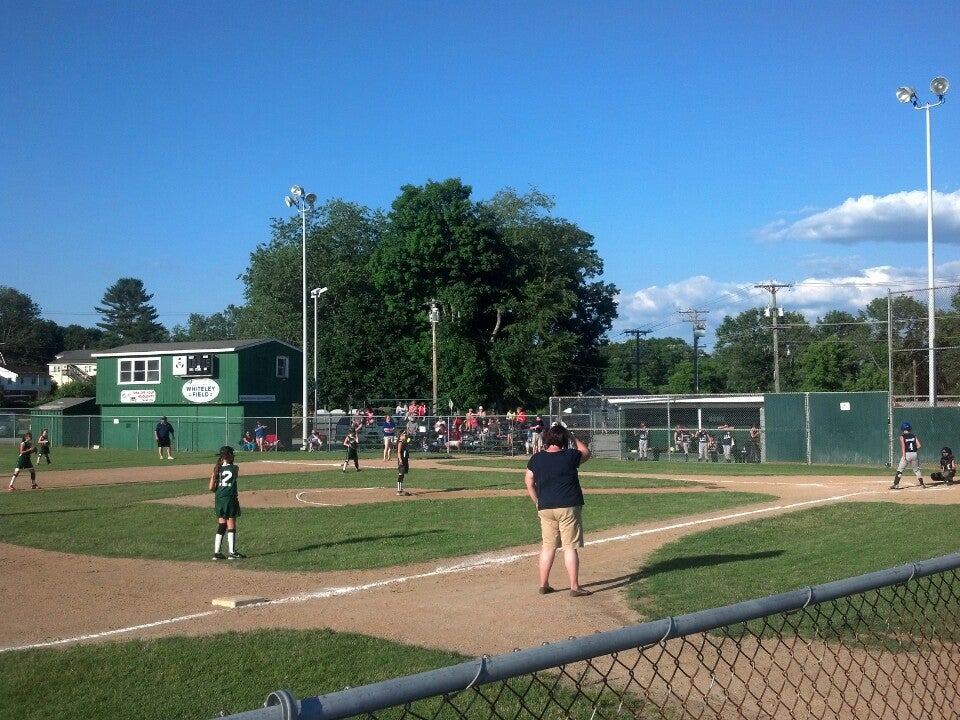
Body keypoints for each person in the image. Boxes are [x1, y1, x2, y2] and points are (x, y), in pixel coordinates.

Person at [524, 422, 592, 597]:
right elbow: (586, 452)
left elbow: (529, 482)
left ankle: (543, 584)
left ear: (546, 440)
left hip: (546, 506)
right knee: (569, 547)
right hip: (568, 505)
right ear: (563, 441)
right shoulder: (570, 455)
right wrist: (570, 435)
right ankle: (574, 587)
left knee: (548, 547)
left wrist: (537, 501)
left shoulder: (536, 458)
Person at [209, 445, 244, 560]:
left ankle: (217, 552)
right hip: (230, 498)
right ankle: (232, 552)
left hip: (219, 499)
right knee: (231, 524)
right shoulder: (235, 468)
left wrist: (218, 491)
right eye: (232, 454)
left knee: (221, 525)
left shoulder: (216, 469)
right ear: (229, 456)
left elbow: (210, 487)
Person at [891, 422, 924, 489]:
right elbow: (919, 445)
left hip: (907, 454)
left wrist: (904, 456)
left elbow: (903, 446)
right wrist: (914, 449)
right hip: (914, 453)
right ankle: (922, 484)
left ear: (903, 429)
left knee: (900, 469)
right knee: (916, 470)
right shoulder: (913, 436)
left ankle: (896, 485)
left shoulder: (902, 436)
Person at [396, 430, 411, 495]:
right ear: (401, 436)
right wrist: (400, 460)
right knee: (401, 474)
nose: (406, 435)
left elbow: (408, 437)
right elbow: (399, 452)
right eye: (404, 435)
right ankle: (399, 491)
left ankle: (400, 489)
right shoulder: (400, 442)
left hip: (405, 460)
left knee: (402, 474)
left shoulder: (404, 442)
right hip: (402, 460)